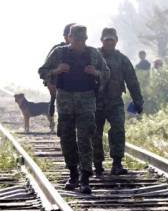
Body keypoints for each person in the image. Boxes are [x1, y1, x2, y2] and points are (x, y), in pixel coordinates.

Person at [38, 25, 110, 194]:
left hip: (86, 101)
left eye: (82, 40)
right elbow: (42, 71)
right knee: (67, 138)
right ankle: (73, 174)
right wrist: (57, 70)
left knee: (85, 138)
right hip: (65, 101)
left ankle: (85, 177)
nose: (79, 43)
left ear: (86, 39)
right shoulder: (59, 53)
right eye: (76, 40)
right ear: (69, 38)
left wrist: (96, 73)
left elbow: (107, 73)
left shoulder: (93, 53)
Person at [93, 27, 143, 176]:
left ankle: (117, 163)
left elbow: (132, 81)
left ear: (116, 41)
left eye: (112, 40)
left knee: (118, 130)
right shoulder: (93, 56)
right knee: (95, 133)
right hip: (95, 102)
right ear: (102, 40)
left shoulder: (122, 59)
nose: (109, 42)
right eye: (107, 40)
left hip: (115, 101)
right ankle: (97, 164)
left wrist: (138, 100)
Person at [41, 23, 75, 117]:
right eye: (71, 35)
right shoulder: (57, 51)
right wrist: (49, 83)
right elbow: (44, 70)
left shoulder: (87, 51)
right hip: (60, 89)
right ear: (65, 36)